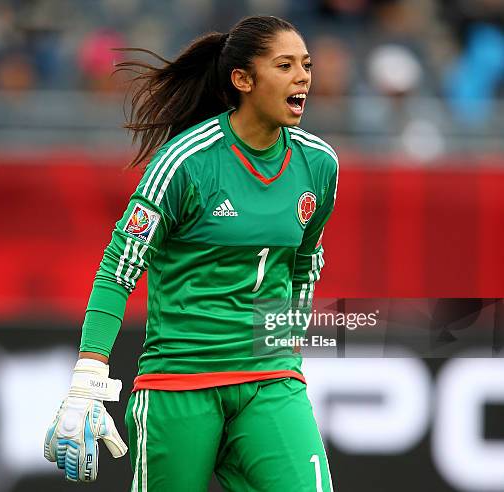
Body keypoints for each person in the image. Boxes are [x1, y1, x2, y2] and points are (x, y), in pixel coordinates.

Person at [44, 15, 338, 492]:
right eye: (284, 65)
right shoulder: (185, 162)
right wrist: (88, 374)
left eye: (306, 64)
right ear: (242, 80)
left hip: (269, 377)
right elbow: (118, 270)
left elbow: (304, 263)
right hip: (181, 383)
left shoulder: (319, 164)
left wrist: (289, 344)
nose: (303, 76)